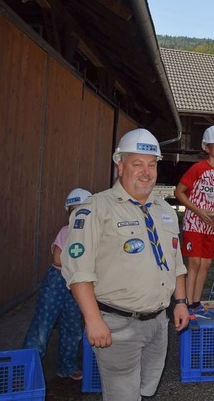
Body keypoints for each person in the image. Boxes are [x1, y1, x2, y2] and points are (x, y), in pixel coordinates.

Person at [61, 128, 189, 401]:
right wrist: (93, 320)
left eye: (152, 165)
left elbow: (175, 262)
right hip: (118, 326)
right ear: (120, 166)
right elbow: (78, 270)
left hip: (158, 323)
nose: (146, 172)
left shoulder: (164, 210)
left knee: (145, 391)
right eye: (137, 164)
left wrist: (180, 302)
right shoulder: (95, 209)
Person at [22, 188, 92, 381]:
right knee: (42, 325)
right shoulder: (66, 231)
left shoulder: (93, 235)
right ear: (68, 214)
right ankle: (27, 369)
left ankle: (67, 367)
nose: (78, 216)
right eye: (74, 211)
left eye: (83, 211)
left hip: (77, 282)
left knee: (72, 325)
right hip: (58, 280)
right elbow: (58, 259)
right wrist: (80, 262)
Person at [174, 126, 214, 322]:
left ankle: (196, 303)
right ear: (207, 147)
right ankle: (187, 304)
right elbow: (178, 192)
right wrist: (199, 212)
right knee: (194, 262)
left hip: (210, 224)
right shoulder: (198, 168)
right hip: (194, 222)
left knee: (206, 263)